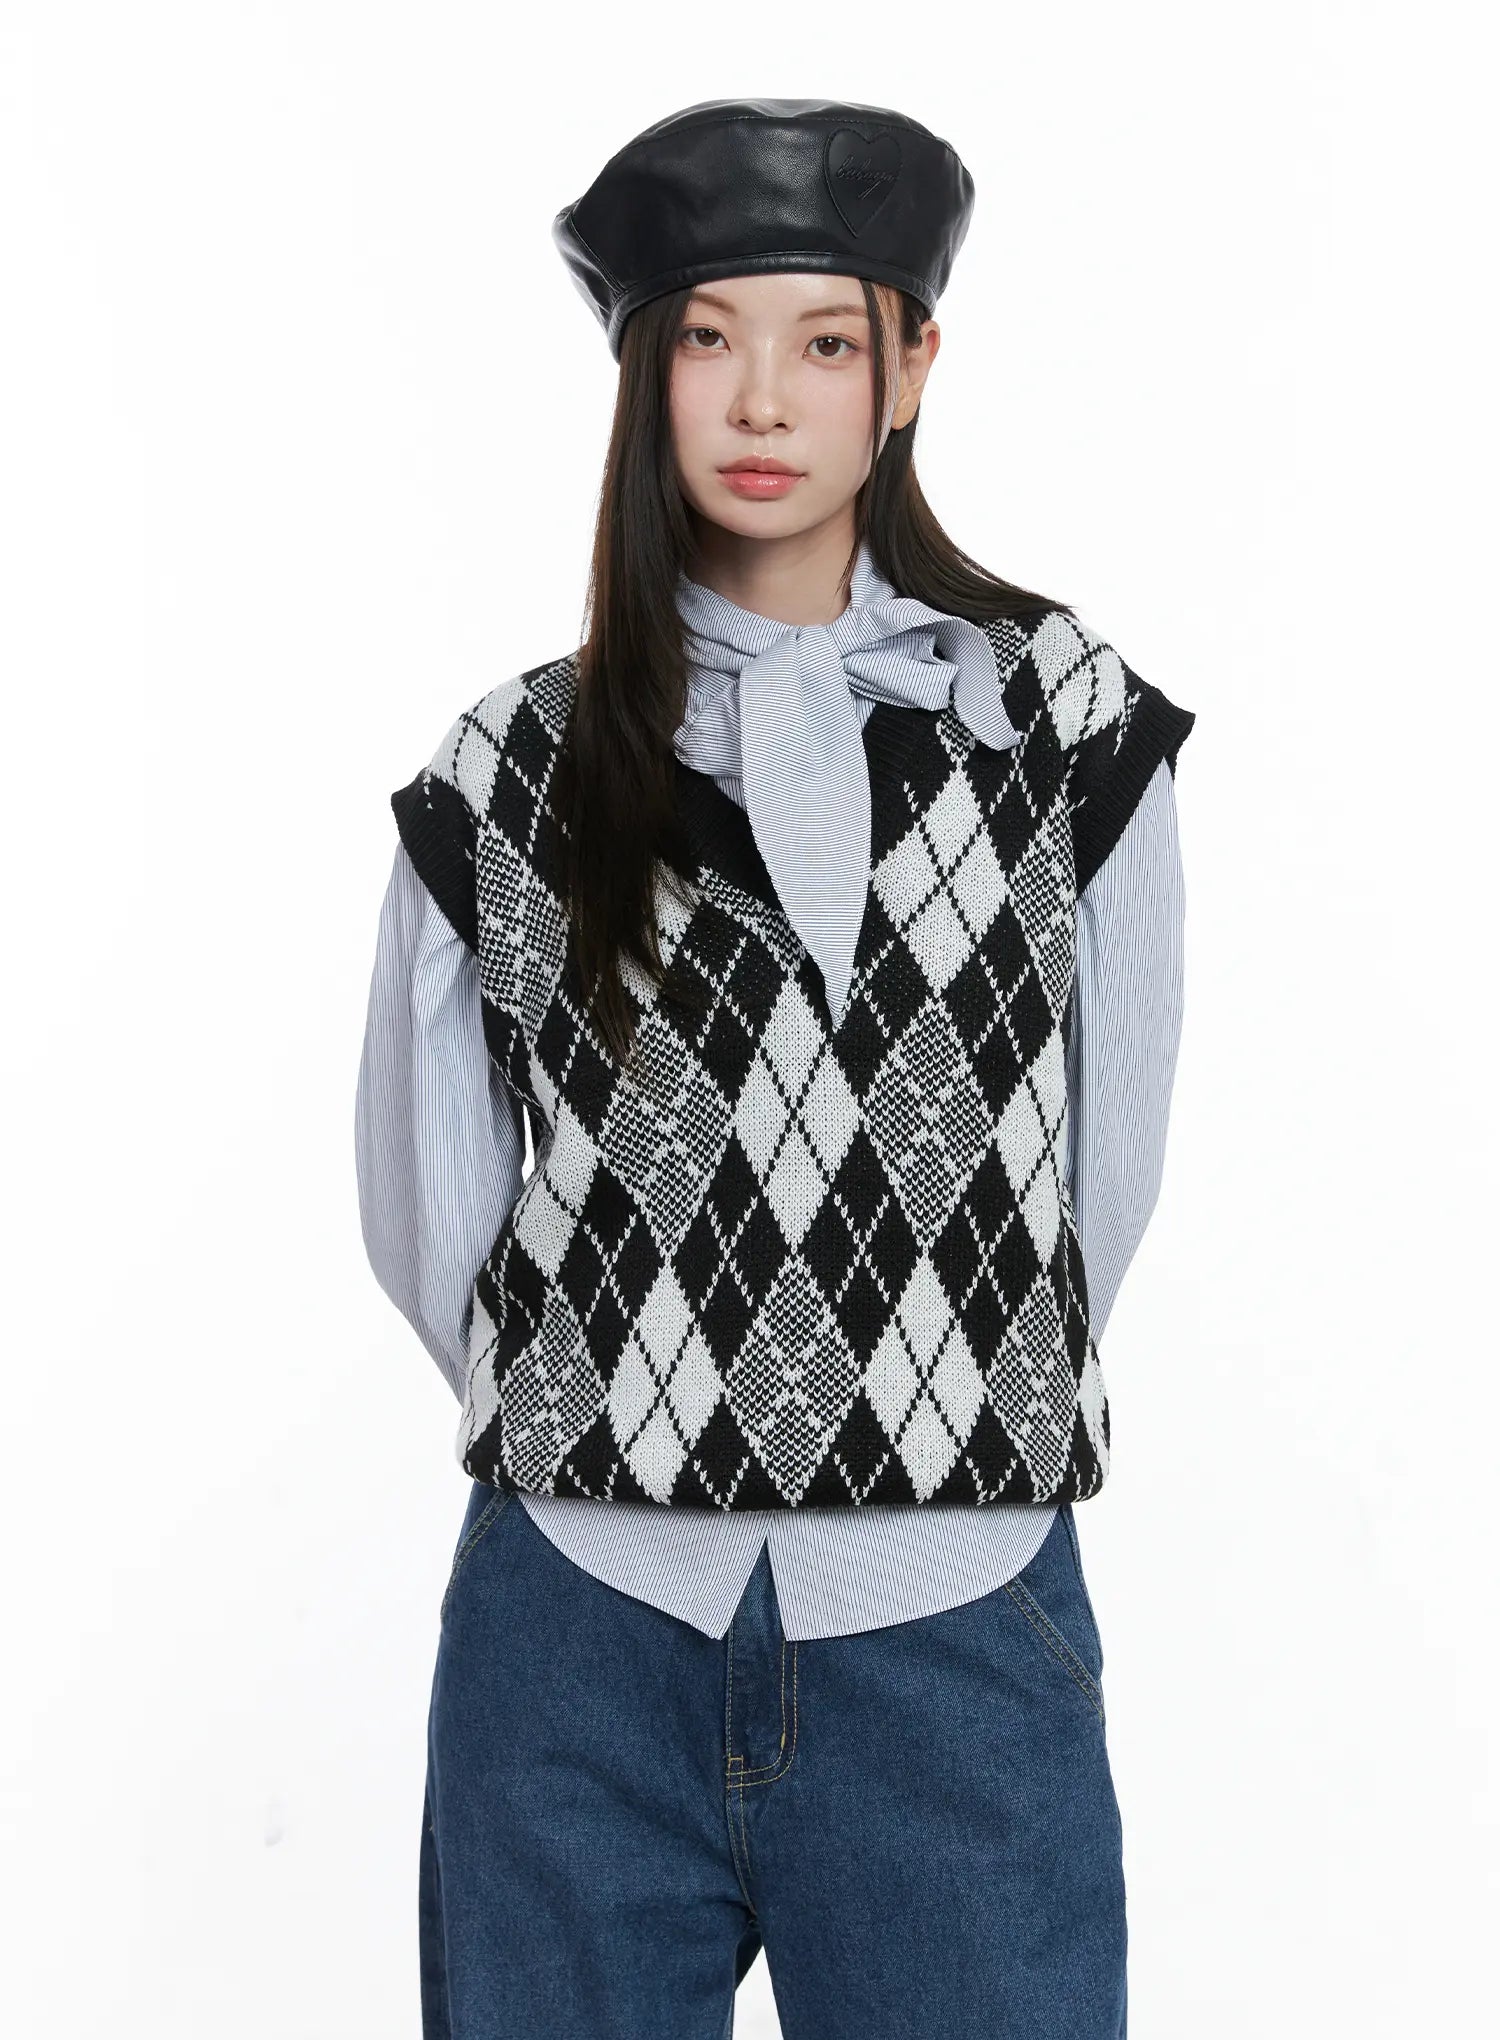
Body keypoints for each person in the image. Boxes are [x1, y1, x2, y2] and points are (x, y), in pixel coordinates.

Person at [355, 97, 1196, 2040]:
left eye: (824, 340)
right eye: (708, 339)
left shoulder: (1068, 733)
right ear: (645, 375)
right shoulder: (509, 769)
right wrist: (624, 1410)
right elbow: (429, 1211)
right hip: (578, 1635)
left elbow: (1105, 1171)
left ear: (911, 365)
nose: (762, 399)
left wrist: (928, 1394)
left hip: (953, 1627)